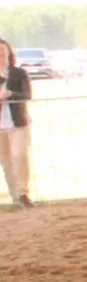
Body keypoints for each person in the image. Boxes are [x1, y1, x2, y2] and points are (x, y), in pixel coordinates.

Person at [0, 38, 31, 208]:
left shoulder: (19, 73)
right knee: (6, 162)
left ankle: (23, 192)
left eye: (3, 51)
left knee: (19, 156)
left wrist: (10, 93)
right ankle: (14, 195)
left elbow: (26, 94)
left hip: (17, 123)